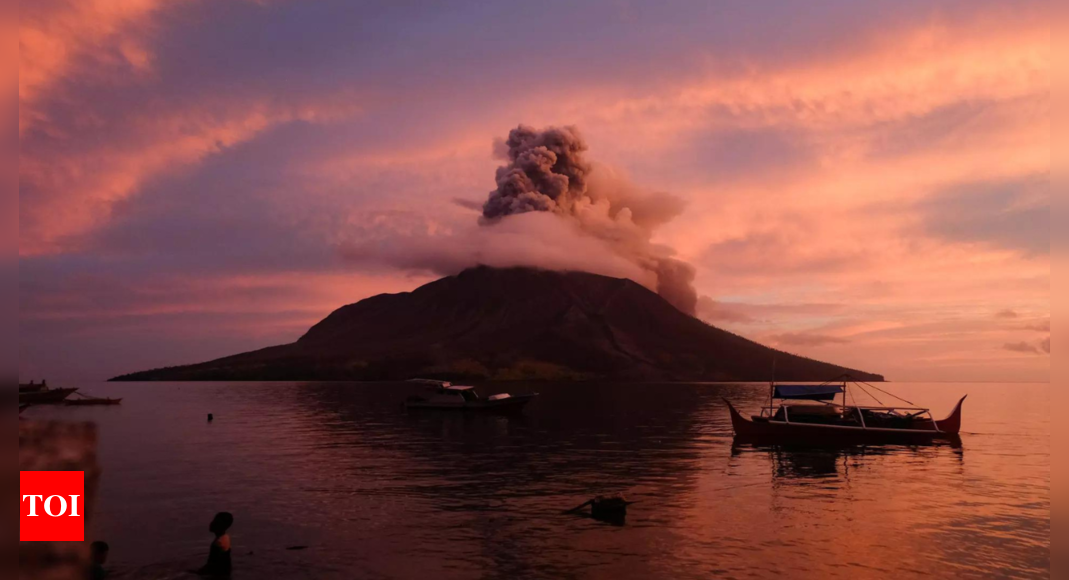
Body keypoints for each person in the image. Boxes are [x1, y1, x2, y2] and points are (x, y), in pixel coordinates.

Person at [197, 512, 233, 578]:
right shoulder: (226, 538)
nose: (211, 523)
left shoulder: (218, 543)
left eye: (214, 521)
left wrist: (198, 573)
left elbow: (213, 565)